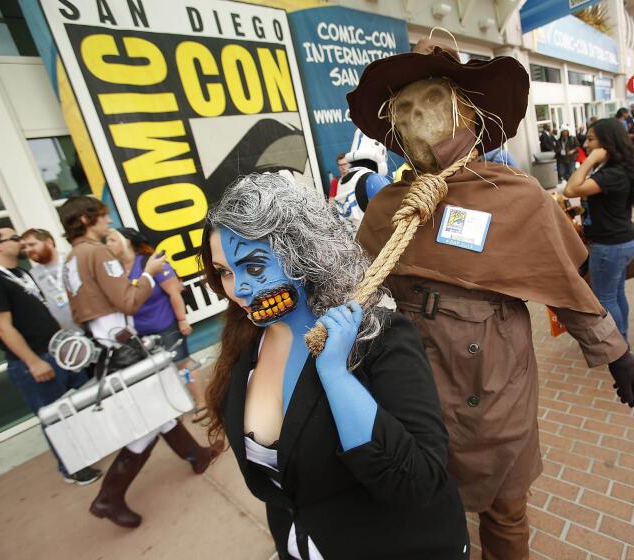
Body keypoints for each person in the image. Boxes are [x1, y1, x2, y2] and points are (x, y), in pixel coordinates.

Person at [350, 37, 634, 559]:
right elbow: (357, 292)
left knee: (506, 507)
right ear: (392, 126)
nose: (419, 118)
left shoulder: (514, 195)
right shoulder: (390, 207)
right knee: (425, 499)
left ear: (462, 107)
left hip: (494, 377)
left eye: (432, 101)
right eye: (404, 109)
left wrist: (614, 351)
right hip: (413, 378)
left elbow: (563, 284)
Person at [200, 173, 470, 559]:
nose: (238, 289)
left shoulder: (380, 338)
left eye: (254, 267)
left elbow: (418, 482)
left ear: (304, 255)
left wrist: (335, 376)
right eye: (225, 271)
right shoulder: (245, 342)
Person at [58, 196, 223, 528]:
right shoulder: (97, 252)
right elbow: (128, 301)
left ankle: (197, 456)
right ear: (88, 220)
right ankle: (109, 497)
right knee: (147, 423)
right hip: (123, 346)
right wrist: (148, 273)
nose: (108, 225)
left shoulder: (70, 259)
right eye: (103, 218)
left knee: (158, 410)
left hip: (107, 344)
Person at [0, 224, 100, 485]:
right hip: (35, 361)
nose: (21, 242)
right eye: (15, 238)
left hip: (59, 353)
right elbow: (2, 327)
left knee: (79, 406)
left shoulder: (18, 273)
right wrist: (33, 362)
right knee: (55, 418)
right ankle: (73, 468)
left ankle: (88, 451)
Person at [104, 227, 208, 423]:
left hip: (165, 325)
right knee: (159, 372)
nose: (107, 245)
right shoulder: (115, 272)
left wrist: (182, 320)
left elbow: (174, 293)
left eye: (112, 240)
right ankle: (178, 407)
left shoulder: (149, 262)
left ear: (127, 242)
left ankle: (202, 401)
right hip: (139, 334)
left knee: (181, 363)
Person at [563, 119, 634, 340]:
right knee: (616, 293)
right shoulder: (617, 169)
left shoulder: (612, 173)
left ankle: (617, 346)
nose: (586, 144)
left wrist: (590, 160)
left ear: (607, 142)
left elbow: (571, 189)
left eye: (590, 139)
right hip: (620, 241)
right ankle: (622, 337)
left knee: (604, 298)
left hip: (610, 246)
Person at [332, 130, 392, 232]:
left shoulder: (341, 181)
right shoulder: (373, 179)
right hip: (376, 244)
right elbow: (393, 215)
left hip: (350, 244)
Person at [21, 228, 77, 332]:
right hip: (67, 335)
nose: (27, 250)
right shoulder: (32, 275)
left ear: (49, 242)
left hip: (92, 325)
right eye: (24, 247)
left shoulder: (71, 260)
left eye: (32, 245)